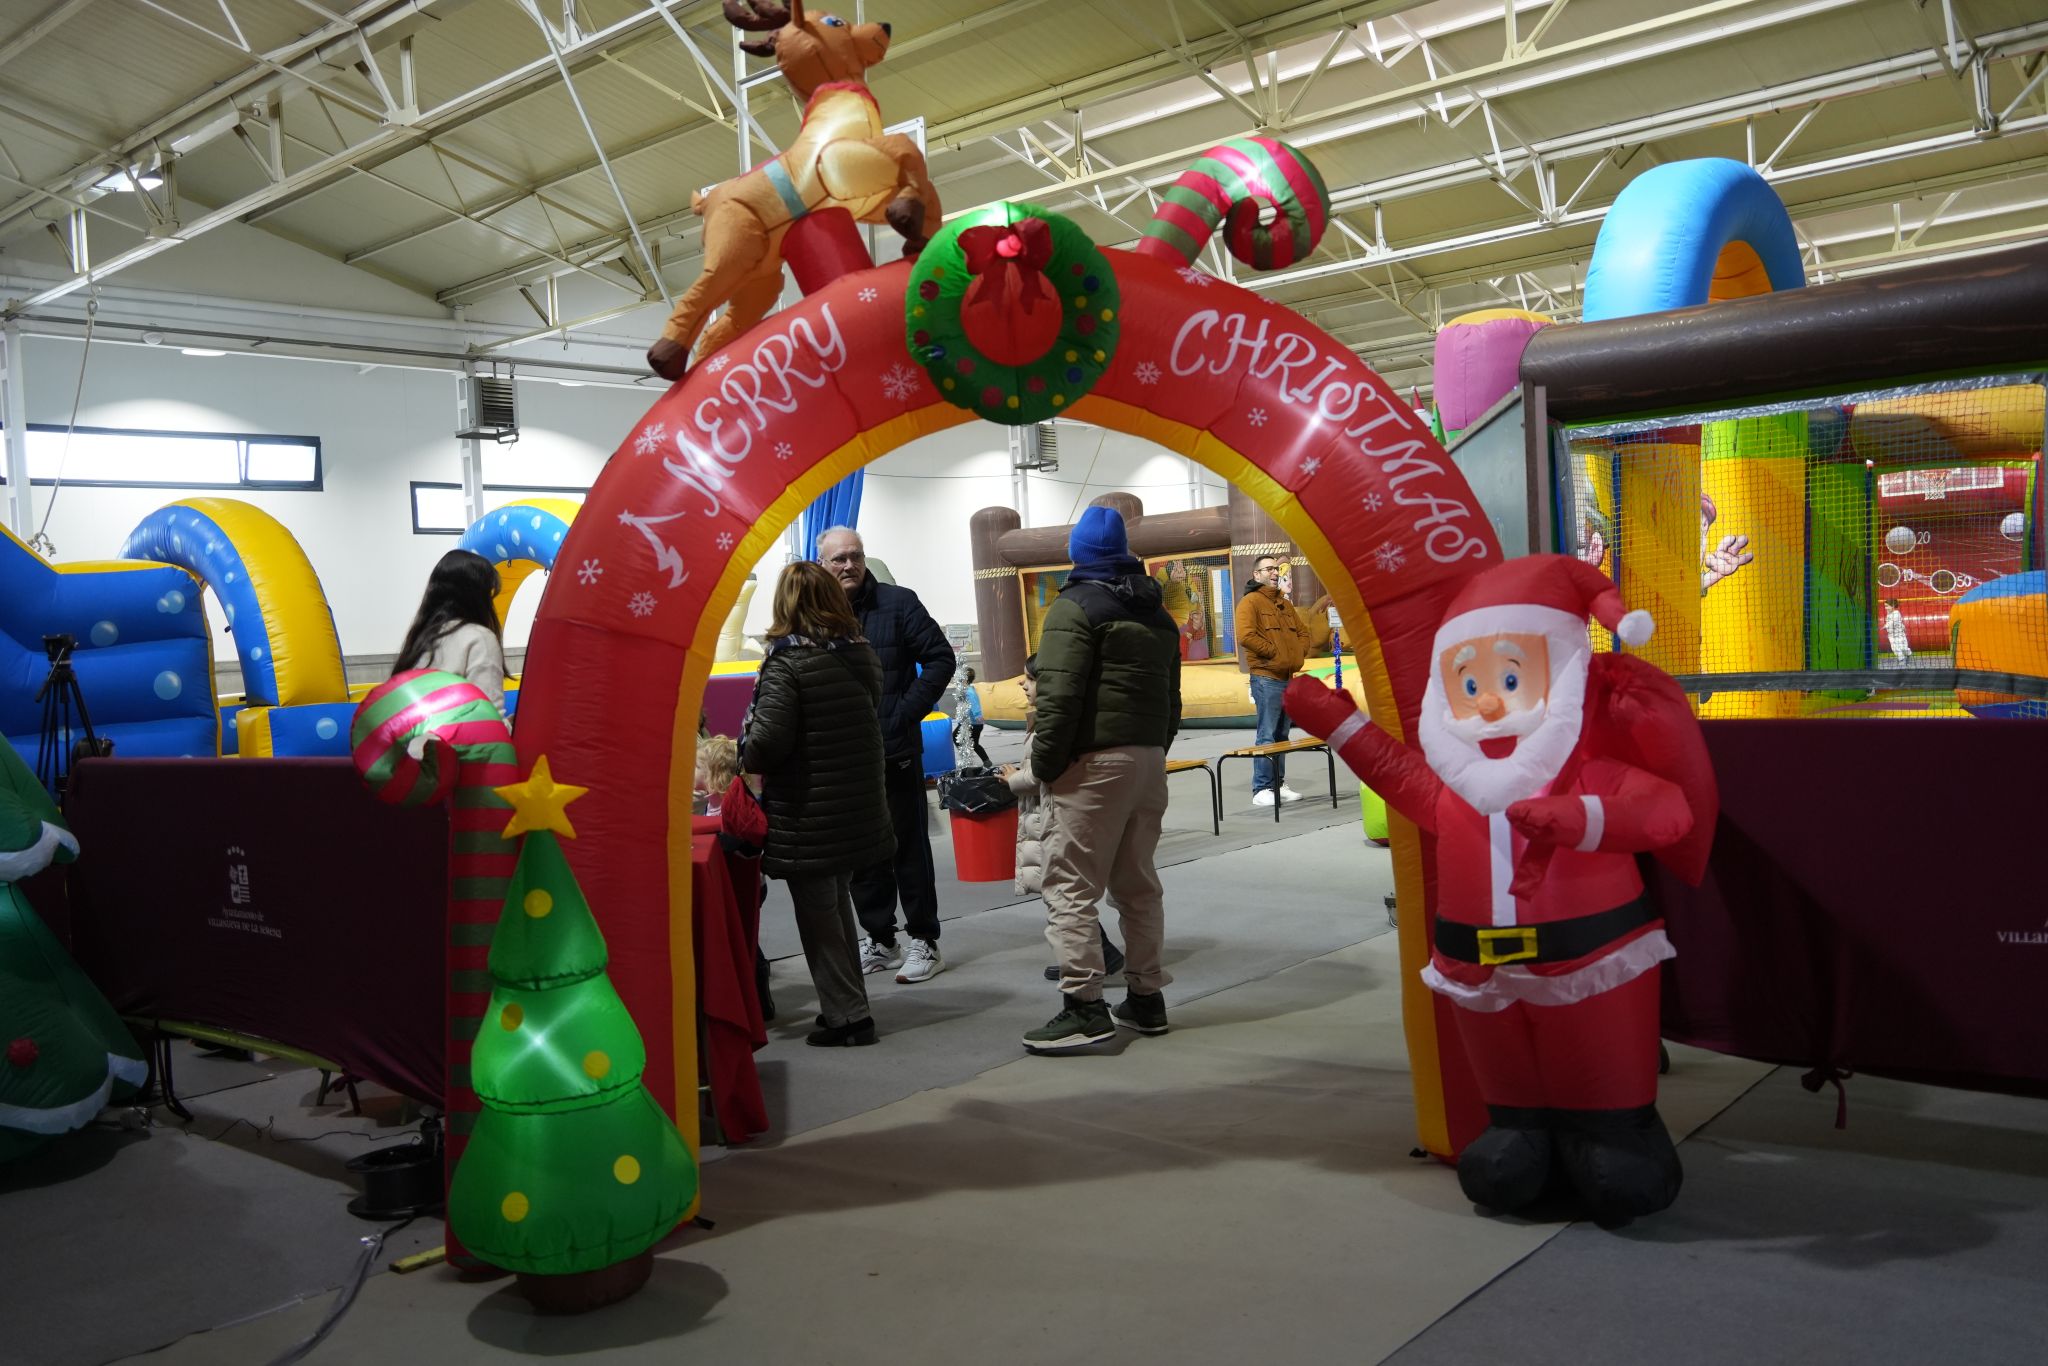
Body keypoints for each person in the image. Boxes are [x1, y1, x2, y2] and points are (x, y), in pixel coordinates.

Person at [1284, 555, 1715, 1224]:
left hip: (1589, 957)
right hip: (1476, 967)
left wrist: (1581, 818)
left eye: (1511, 678)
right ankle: (1520, 1128)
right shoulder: (1458, 786)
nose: (1488, 702)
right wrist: (1343, 728)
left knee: (1611, 1133)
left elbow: (1666, 811)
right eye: (1470, 682)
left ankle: (1614, 1131)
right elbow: (1403, 777)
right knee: (1511, 1113)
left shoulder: (1586, 770)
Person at [1022, 505, 1181, 1052]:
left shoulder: (1074, 607)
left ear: (1077, 555)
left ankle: (1085, 1008)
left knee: (1070, 886)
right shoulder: (1159, 615)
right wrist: (1153, 749)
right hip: (1148, 761)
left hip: (1092, 767)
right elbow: (1172, 700)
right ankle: (1146, 999)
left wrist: (1045, 766)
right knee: (1138, 887)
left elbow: (1058, 695)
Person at [739, 561, 895, 1048]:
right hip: (856, 804)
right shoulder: (860, 651)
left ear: (785, 603)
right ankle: (851, 1005)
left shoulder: (788, 662)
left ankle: (849, 1018)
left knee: (819, 917)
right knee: (835, 908)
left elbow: (767, 743)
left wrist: (742, 750)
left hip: (809, 811)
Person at [816, 526, 955, 985]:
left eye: (855, 556)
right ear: (822, 565)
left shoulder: (898, 603)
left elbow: (940, 658)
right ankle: (881, 939)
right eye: (839, 559)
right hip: (845, 757)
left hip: (895, 749)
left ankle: (924, 940)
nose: (849, 566)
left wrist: (903, 713)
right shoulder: (815, 612)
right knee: (862, 853)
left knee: (907, 848)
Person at [1005, 655, 1125, 983]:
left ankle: (1089, 956)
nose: (1022, 683)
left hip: (1052, 817)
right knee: (1058, 892)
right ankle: (1082, 952)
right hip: (1043, 816)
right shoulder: (1047, 720)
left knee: (1062, 893)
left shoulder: (1053, 726)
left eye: (1030, 678)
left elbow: (1043, 774)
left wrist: (1013, 779)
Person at [1234, 553, 1330, 806]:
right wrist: (1275, 654)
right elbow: (1246, 636)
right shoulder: (1250, 602)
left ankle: (1278, 783)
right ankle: (1262, 788)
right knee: (1266, 734)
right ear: (1256, 574)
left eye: (1276, 569)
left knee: (1282, 734)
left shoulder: (1284, 605)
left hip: (1288, 678)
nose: (1275, 573)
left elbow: (1304, 633)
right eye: (1269, 569)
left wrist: (1296, 654)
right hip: (1266, 677)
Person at [699, 735, 775, 1023]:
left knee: (744, 939)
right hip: (726, 882)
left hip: (745, 884)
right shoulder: (712, 802)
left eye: (698, 767)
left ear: (714, 773)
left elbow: (751, 837)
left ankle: (757, 986)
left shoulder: (733, 803)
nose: (692, 771)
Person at [393, 549, 507, 715]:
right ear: (477, 596)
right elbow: (487, 717)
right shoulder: (479, 638)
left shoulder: (421, 638)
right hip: (456, 732)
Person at [951, 667, 991, 767]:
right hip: (972, 723)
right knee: (974, 744)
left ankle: (966, 761)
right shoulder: (967, 690)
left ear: (964, 679)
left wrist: (978, 715)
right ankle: (986, 761)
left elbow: (974, 704)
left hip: (972, 723)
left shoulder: (968, 692)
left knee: (956, 737)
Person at [1882, 598, 1913, 663]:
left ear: (1893, 606)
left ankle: (1909, 653)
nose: (1885, 608)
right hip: (1891, 635)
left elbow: (1893, 622)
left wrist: (1886, 626)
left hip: (1899, 634)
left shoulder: (1896, 613)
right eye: (1885, 606)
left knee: (1903, 648)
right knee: (1895, 648)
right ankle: (1901, 659)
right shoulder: (1888, 614)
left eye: (1887, 606)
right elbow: (1889, 621)